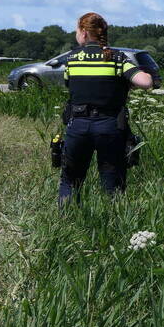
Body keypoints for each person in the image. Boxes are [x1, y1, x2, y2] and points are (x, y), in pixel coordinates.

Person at [59, 12, 153, 206]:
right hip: (110, 127)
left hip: (78, 125)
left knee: (70, 180)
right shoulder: (116, 57)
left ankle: (65, 221)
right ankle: (113, 223)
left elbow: (70, 85)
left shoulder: (72, 59)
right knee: (113, 183)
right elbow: (145, 82)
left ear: (84, 33)